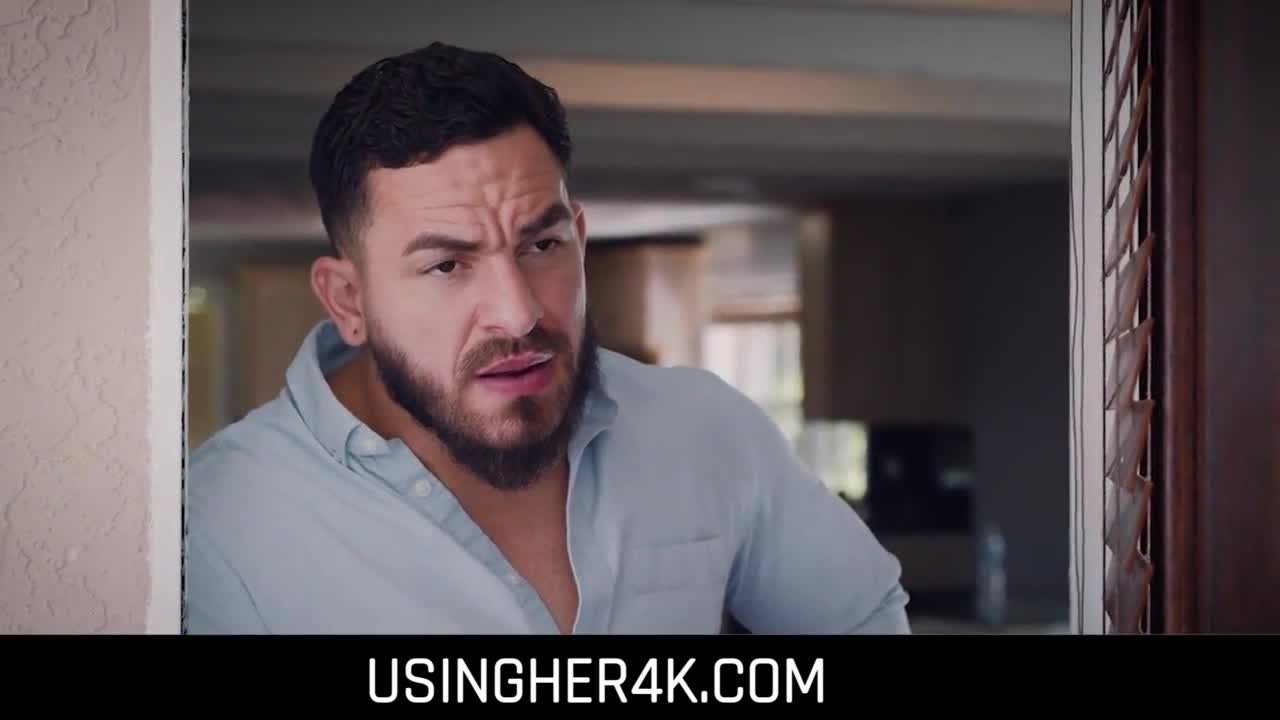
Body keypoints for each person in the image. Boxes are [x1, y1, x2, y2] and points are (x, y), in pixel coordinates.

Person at [184, 42, 910, 635]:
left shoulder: (703, 428)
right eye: (447, 265)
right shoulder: (223, 518)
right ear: (349, 300)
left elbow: (859, 618)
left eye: (541, 245)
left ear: (579, 239)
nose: (518, 314)